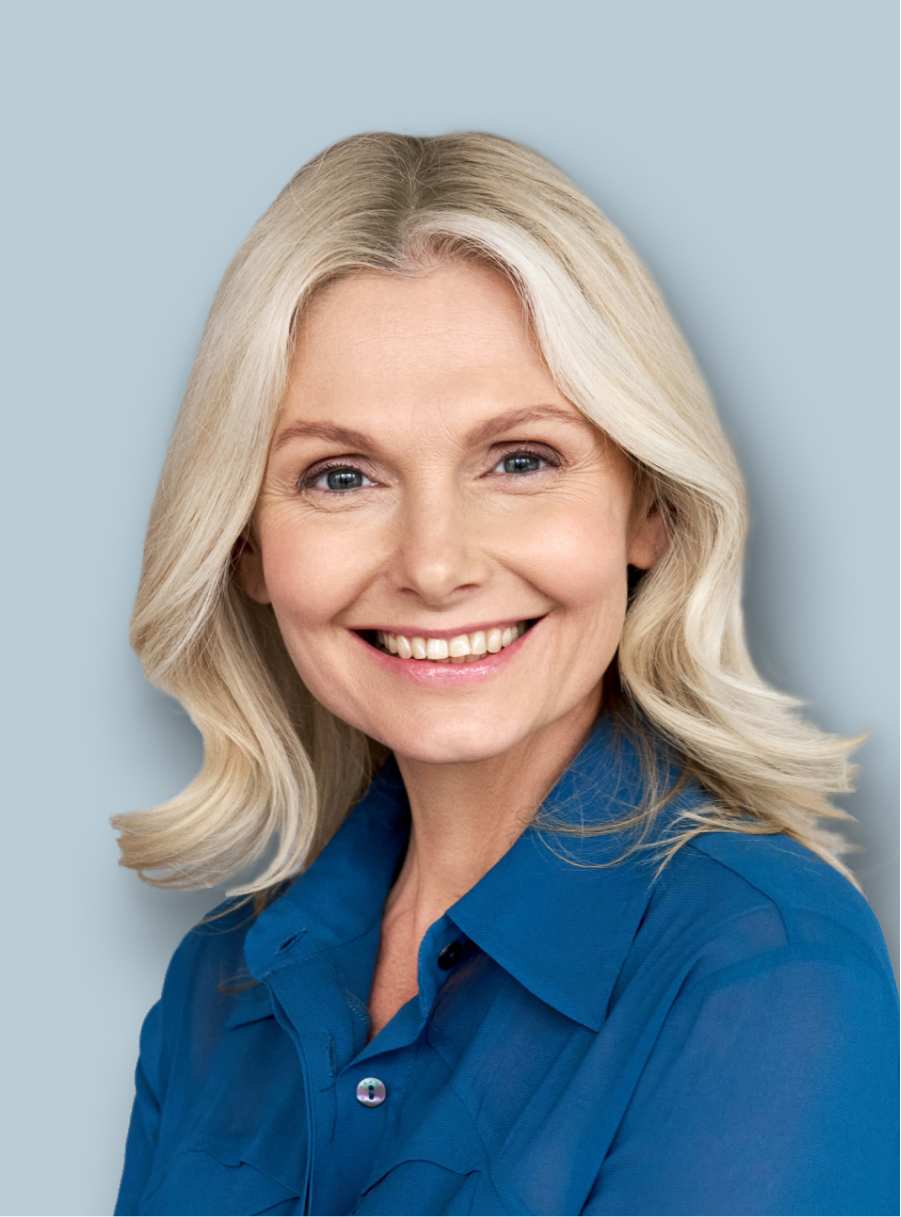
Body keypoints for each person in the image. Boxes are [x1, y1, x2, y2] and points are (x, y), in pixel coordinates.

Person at [112, 132, 898, 1216]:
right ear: (245, 544)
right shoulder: (218, 982)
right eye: (340, 475)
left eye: (520, 461)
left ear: (648, 506)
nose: (434, 564)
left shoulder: (764, 971)